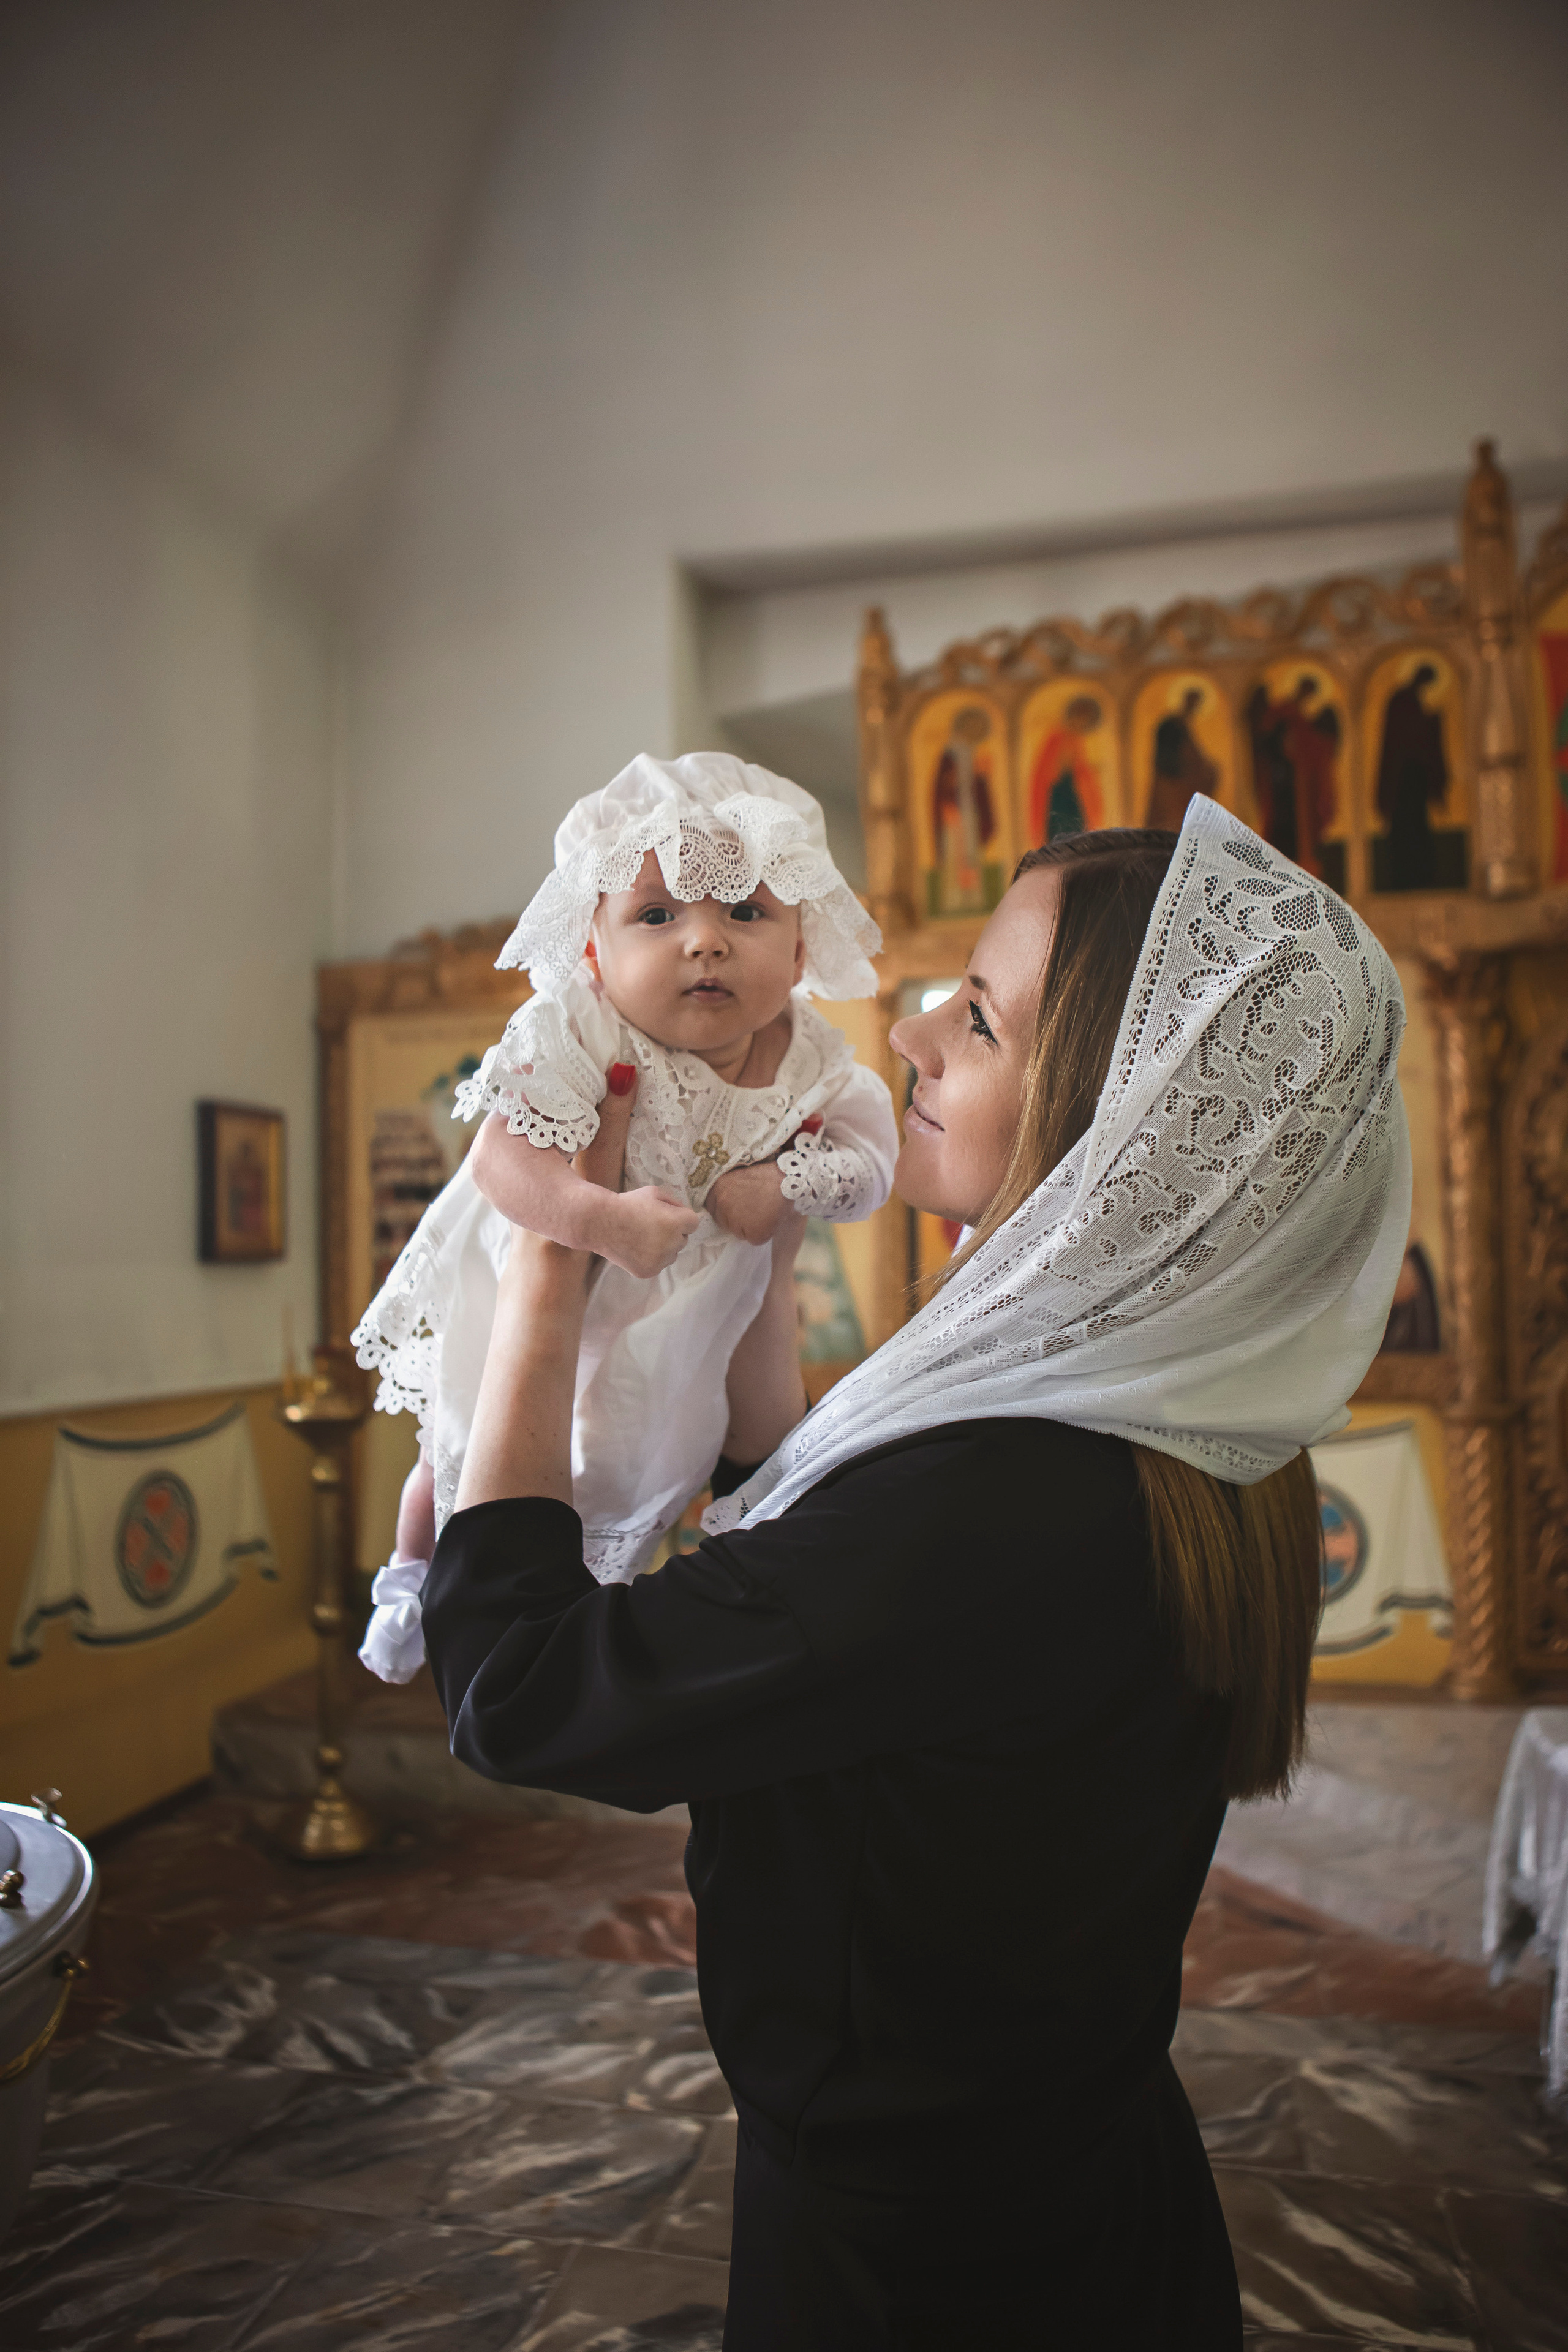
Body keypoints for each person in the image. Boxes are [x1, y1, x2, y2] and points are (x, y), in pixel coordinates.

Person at [421, 797, 1411, 2348]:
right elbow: (831, 1599)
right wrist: (741, 1294)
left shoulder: (991, 1501)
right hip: (1062, 2157)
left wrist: (551, 1262)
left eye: (982, 1016)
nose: (912, 1042)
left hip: (919, 2256)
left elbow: (524, 1690)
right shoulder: (1169, 1424)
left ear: (1122, 1111)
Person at [354, 753, 898, 1680]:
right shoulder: (581, 1027)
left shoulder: (814, 1058)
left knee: (640, 1458)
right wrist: (597, 1220)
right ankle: (413, 1578)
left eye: (744, 909)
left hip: (689, 1311)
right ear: (595, 950)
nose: (705, 940)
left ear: (802, 948)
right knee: (455, 1449)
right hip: (553, 1263)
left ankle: (588, 1617)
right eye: (658, 914)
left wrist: (783, 1187)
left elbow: (871, 1162)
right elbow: (500, 1160)